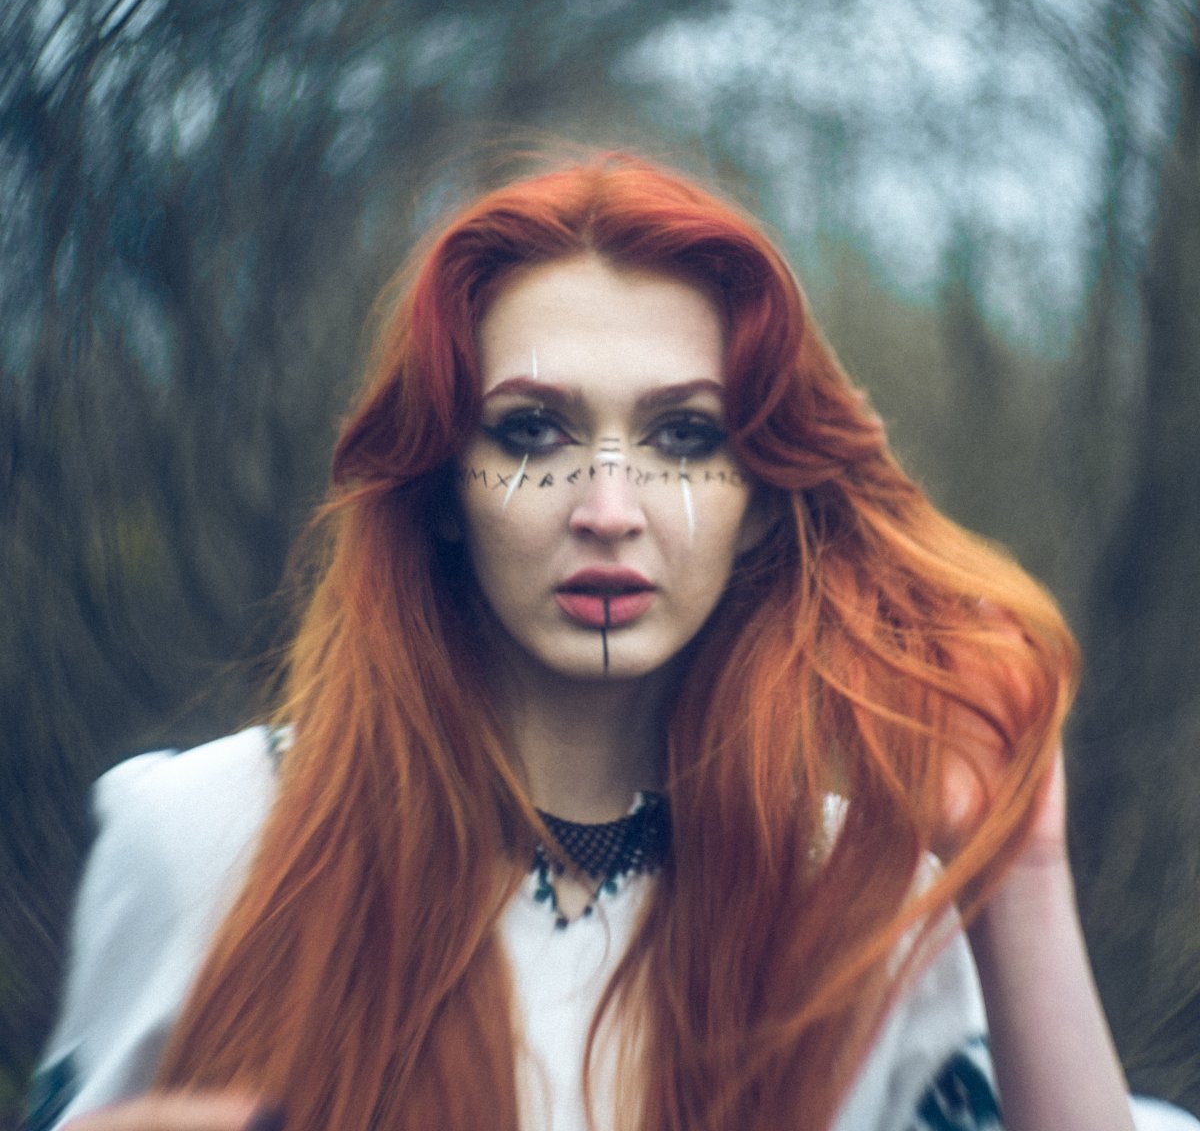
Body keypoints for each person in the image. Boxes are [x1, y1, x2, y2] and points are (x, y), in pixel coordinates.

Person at [29, 152, 1199, 1131]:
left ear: (762, 504)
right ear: (441, 486)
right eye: (532, 433)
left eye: (686, 438)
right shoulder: (204, 841)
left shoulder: (859, 901)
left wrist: (1022, 873)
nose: (608, 509)